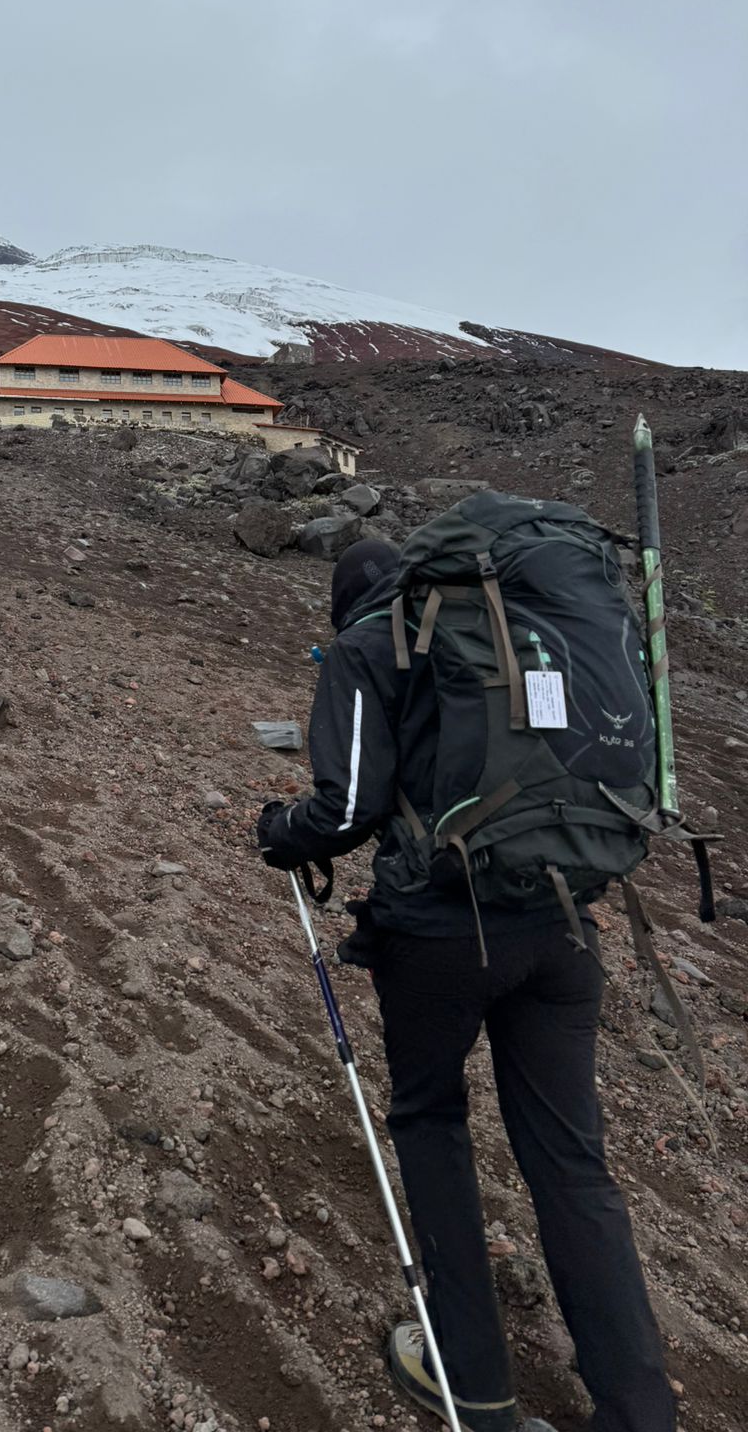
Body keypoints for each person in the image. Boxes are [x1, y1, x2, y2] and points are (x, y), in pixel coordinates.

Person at [257, 539, 675, 1432]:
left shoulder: (365, 645)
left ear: (345, 603)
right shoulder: (513, 632)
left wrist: (281, 830)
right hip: (563, 922)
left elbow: (348, 808)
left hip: (442, 935)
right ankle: (639, 1409)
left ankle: (476, 1388)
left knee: (431, 1121)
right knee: (572, 1162)